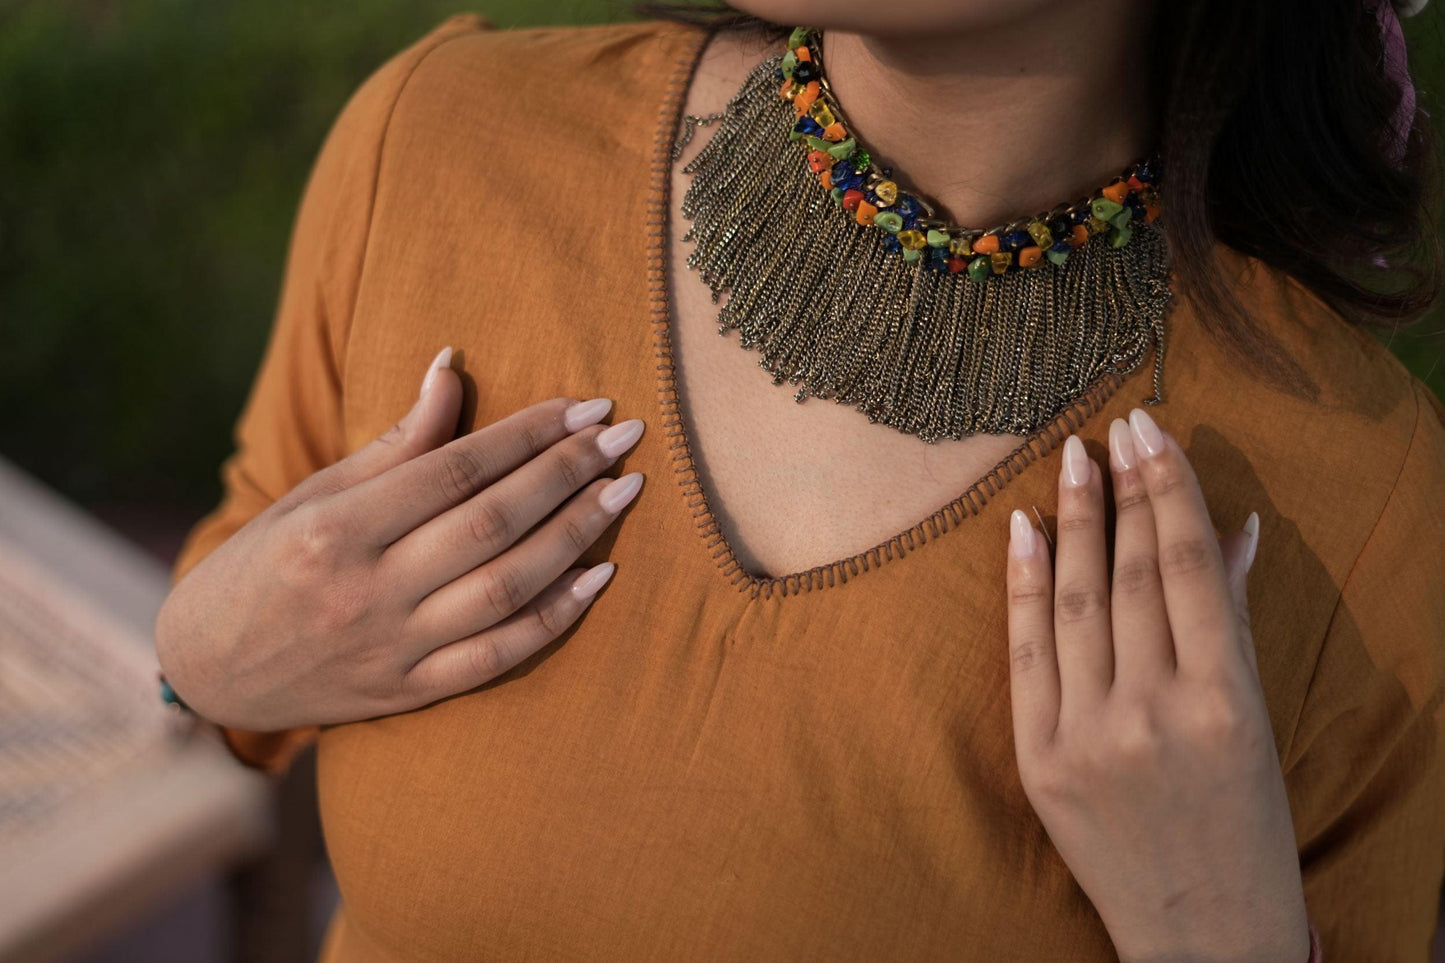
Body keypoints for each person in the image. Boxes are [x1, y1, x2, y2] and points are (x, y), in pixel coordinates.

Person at [155, 1, 1445, 959]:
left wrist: (1220, 934)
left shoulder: (1357, 502)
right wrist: (200, 656)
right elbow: (221, 703)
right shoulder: (439, 145)